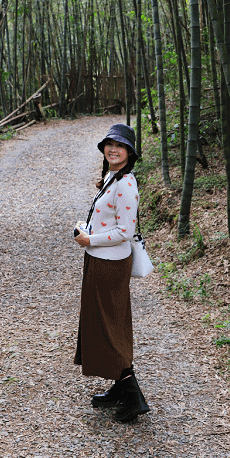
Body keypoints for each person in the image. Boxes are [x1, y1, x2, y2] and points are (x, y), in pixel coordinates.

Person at [73, 124, 150, 423]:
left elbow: (125, 231)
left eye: (119, 145)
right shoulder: (111, 177)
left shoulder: (126, 184)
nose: (113, 149)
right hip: (99, 259)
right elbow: (108, 221)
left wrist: (90, 239)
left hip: (110, 264)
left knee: (109, 326)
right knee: (105, 323)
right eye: (109, 144)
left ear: (129, 152)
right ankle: (120, 388)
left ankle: (133, 398)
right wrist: (88, 231)